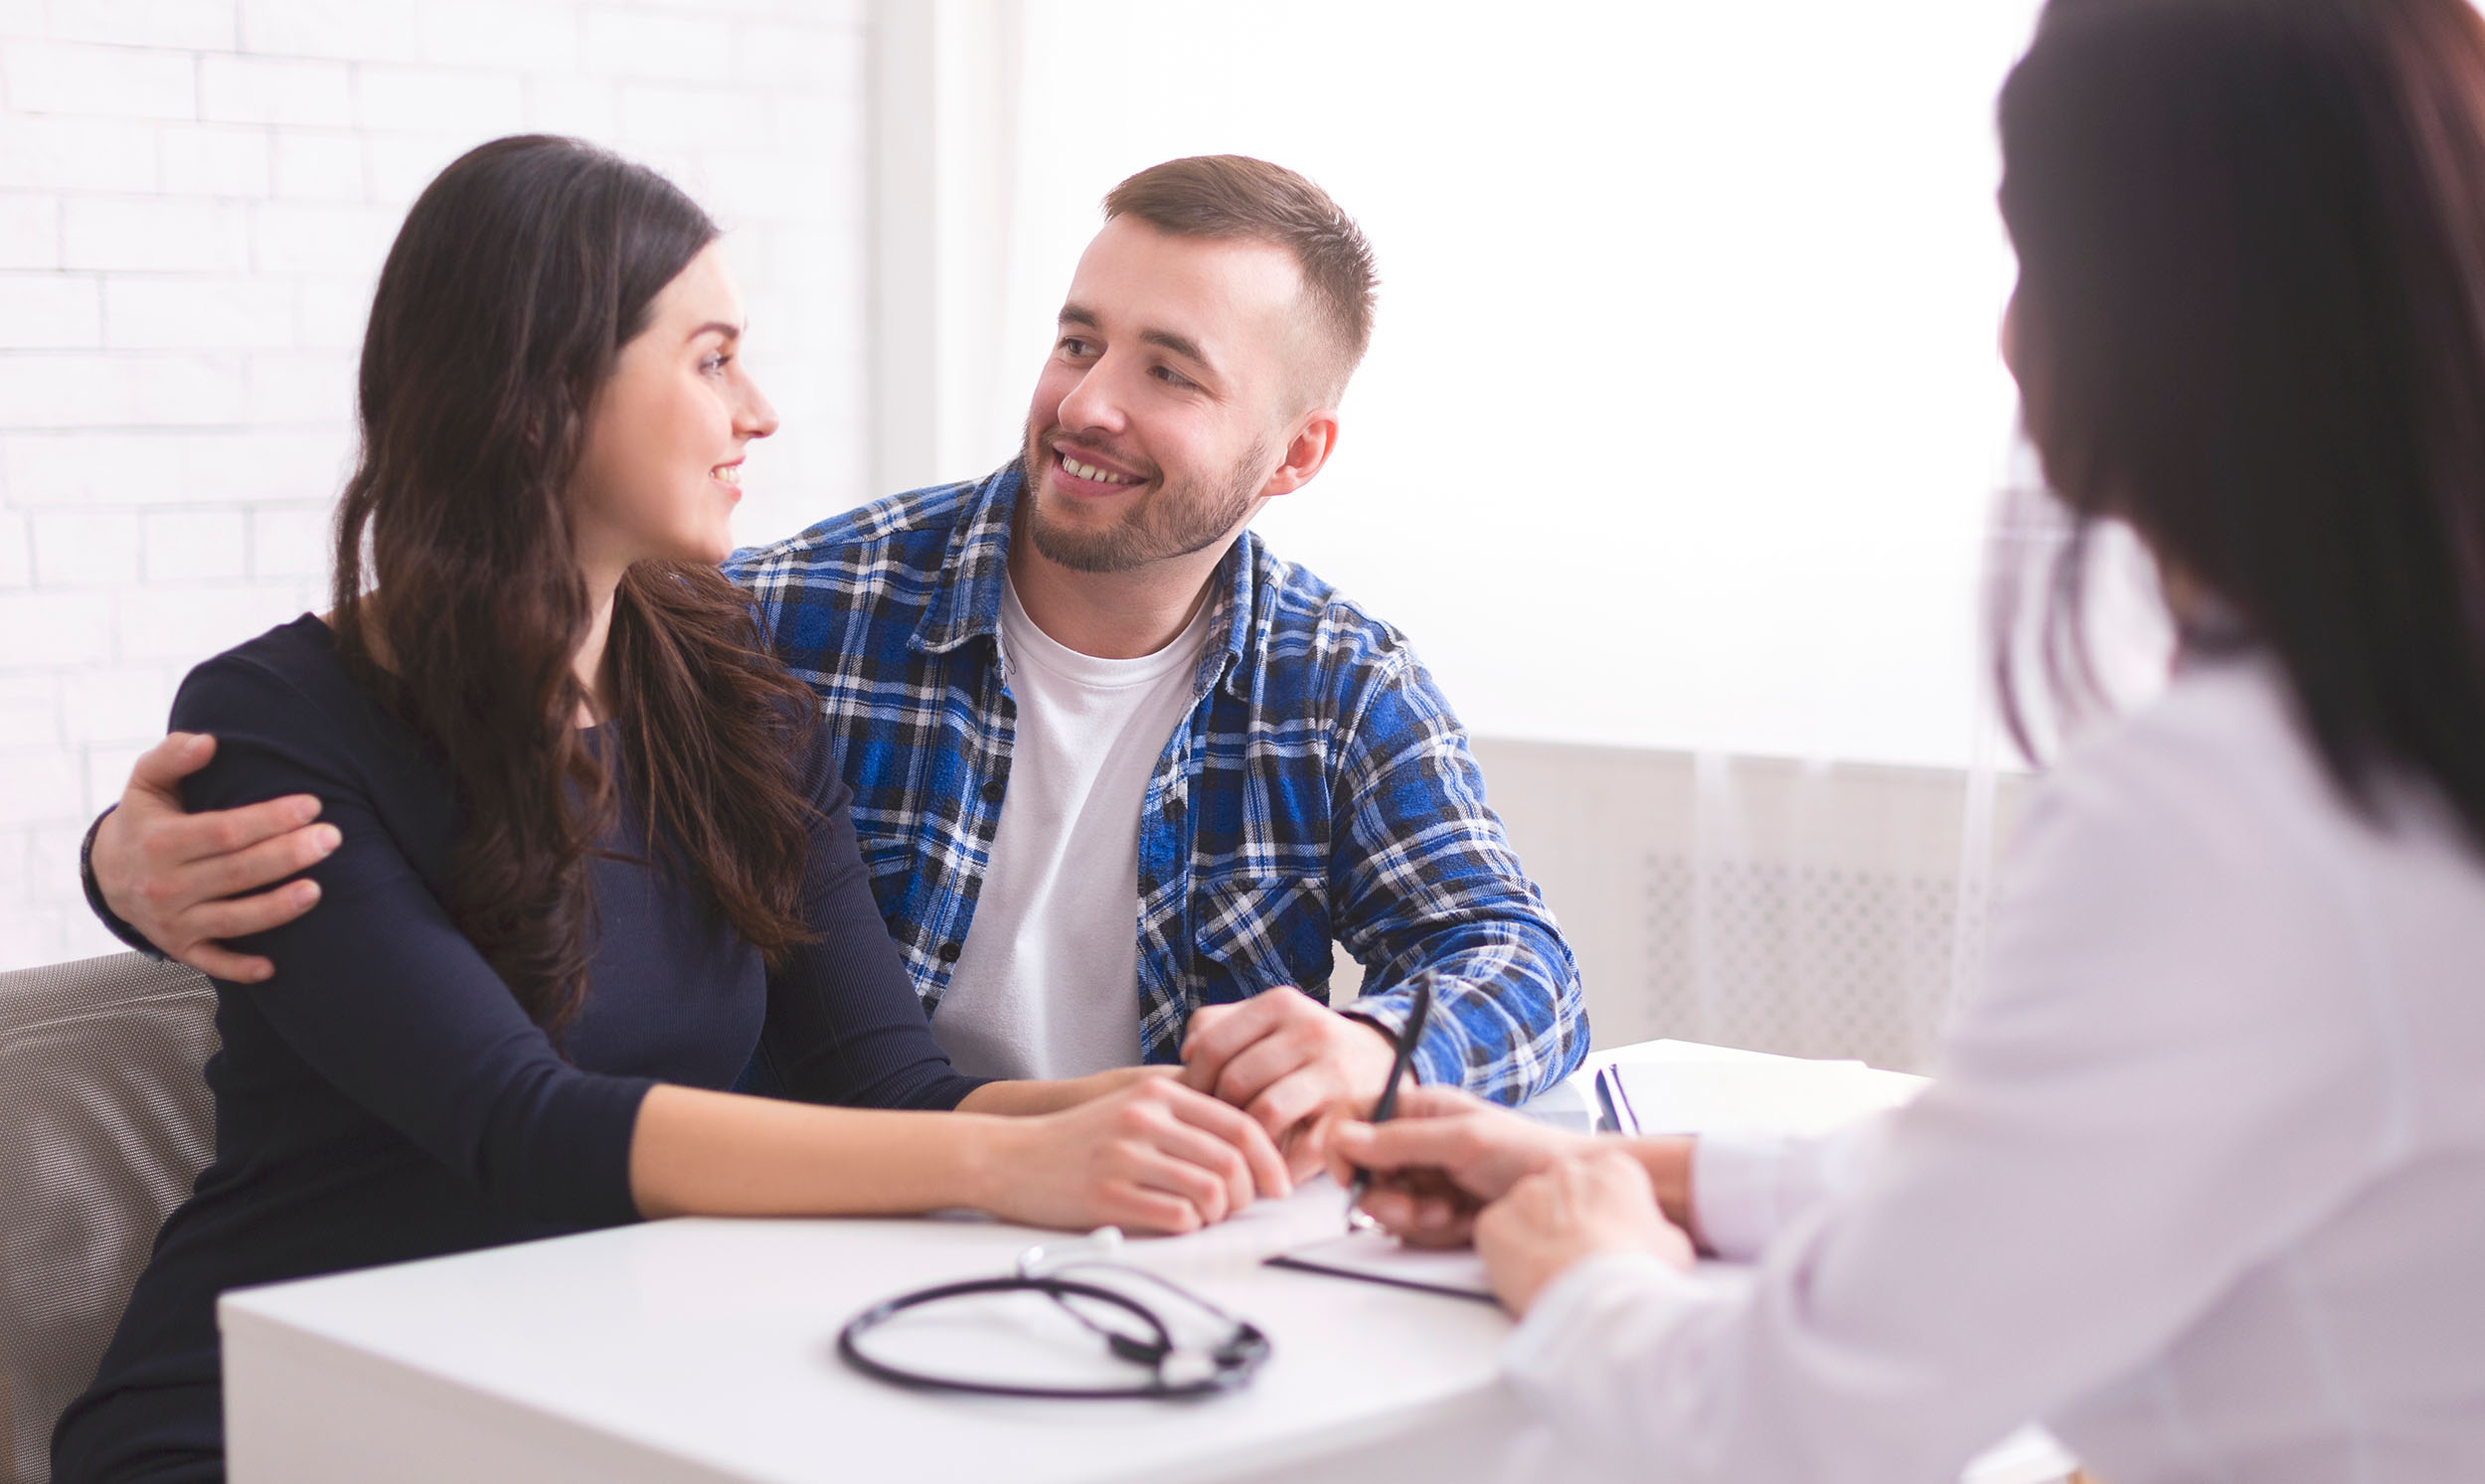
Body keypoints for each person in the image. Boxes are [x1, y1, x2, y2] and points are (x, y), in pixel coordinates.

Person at [1331, 0, 2485, 1479]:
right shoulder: (2392, 741)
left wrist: (1587, 1264)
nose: (2012, 335)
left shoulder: (2218, 809)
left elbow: (1788, 1427)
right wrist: (1637, 1173)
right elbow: (2046, 1178)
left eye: (2042, 257)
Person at [51, 136, 1291, 1484]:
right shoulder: (285, 722)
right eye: (709, 359)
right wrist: (1017, 1169)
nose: (757, 409)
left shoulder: (738, 701)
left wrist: (1185, 1110)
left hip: (598, 1406)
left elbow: (897, 1089)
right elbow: (527, 1123)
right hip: (274, 1424)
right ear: (538, 397)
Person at [80, 154, 1589, 1166]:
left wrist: (1366, 1050)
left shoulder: (1336, 687)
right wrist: (119, 862)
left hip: (1046, 1223)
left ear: (1296, 454)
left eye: (1168, 371)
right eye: (1079, 340)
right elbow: (422, 786)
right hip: (861, 1224)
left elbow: (1523, 963)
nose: (1088, 403)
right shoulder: (797, 617)